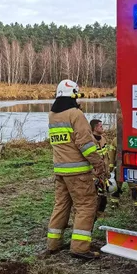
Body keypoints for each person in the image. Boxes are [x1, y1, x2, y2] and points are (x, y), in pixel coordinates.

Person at [46, 80, 106, 260]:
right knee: (86, 206)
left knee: (61, 205)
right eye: (77, 96)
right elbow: (86, 145)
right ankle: (79, 248)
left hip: (60, 171)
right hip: (78, 173)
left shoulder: (53, 115)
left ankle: (53, 244)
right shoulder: (76, 114)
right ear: (73, 96)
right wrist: (99, 164)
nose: (79, 101)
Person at [90, 118, 114, 218]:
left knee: (103, 197)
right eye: (101, 126)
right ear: (95, 128)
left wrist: (107, 171)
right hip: (93, 175)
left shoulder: (103, 139)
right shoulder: (89, 140)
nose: (103, 128)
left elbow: (106, 157)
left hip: (103, 174)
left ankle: (98, 216)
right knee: (94, 198)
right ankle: (91, 217)